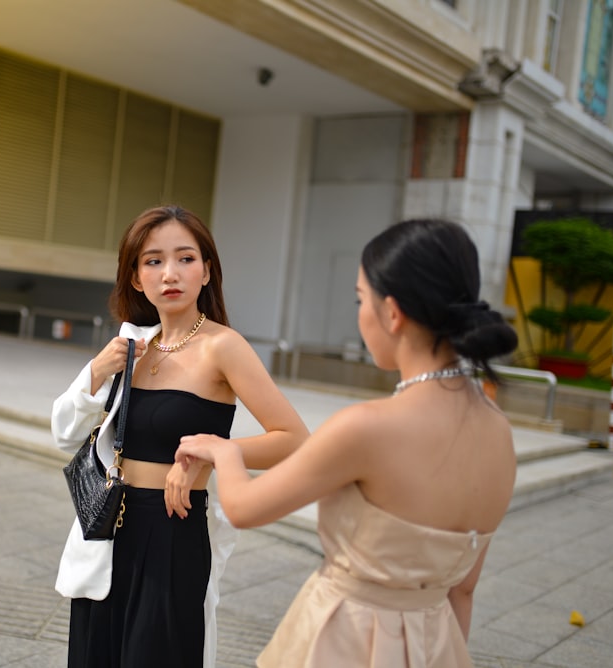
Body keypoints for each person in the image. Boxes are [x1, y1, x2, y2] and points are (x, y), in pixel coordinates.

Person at [176, 218, 519, 667]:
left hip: (344, 641)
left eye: (361, 298)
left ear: (392, 313)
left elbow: (244, 508)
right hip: (435, 643)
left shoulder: (366, 427)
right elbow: (464, 589)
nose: (359, 313)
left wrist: (223, 449)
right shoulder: (499, 432)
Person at [51, 205, 310, 668]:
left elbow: (294, 439)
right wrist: (96, 372)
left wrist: (211, 451)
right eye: (153, 261)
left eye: (185, 259)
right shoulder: (129, 345)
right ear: (135, 278)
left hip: (172, 528)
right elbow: (64, 433)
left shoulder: (222, 346)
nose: (170, 273)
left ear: (207, 271)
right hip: (107, 527)